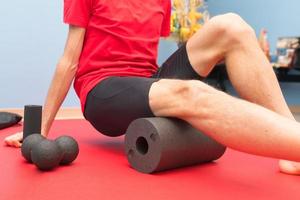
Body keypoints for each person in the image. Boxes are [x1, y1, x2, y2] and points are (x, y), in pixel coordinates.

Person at [4, 0, 300, 175]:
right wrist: (41, 130)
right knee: (193, 93)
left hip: (146, 81)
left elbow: (144, 58)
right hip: (102, 90)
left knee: (231, 25)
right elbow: (69, 60)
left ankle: (290, 153)